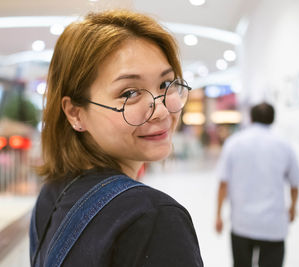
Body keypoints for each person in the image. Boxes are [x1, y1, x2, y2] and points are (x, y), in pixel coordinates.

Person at [29, 9, 204, 267]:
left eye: (166, 85)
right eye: (130, 92)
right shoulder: (152, 218)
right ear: (75, 113)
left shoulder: (53, 195)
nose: (162, 110)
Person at [215, 102, 299, 267]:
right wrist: (293, 208)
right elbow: (295, 183)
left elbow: (223, 183)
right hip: (273, 225)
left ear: (251, 118)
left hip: (242, 223)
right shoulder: (284, 145)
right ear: (273, 119)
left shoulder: (234, 143)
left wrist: (219, 215)